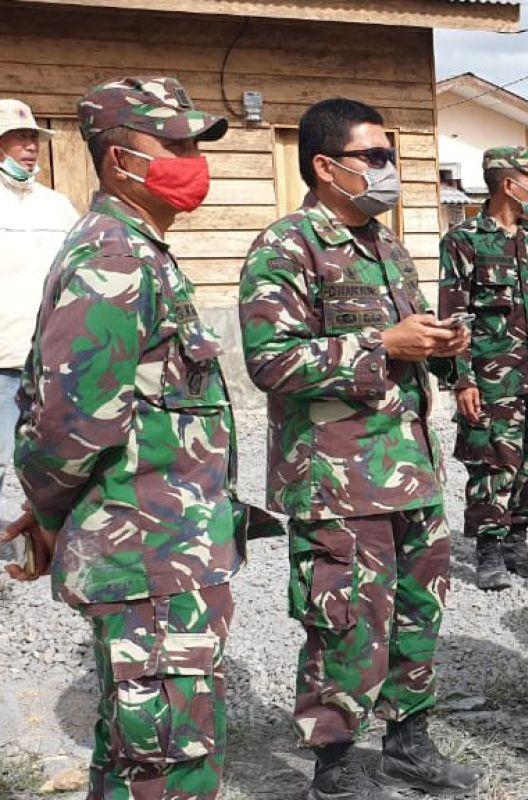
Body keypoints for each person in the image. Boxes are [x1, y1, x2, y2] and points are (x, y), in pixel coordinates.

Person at [7, 76, 243, 800]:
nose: (191, 161)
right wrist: (50, 518)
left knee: (139, 757)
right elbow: (69, 428)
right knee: (169, 765)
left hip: (160, 552)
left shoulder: (137, 249)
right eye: (172, 145)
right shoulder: (114, 257)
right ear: (118, 162)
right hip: (146, 557)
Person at [239, 98, 480, 798]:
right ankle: (336, 768)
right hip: (335, 478)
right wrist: (381, 345)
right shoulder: (288, 246)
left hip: (409, 469)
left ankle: (409, 745)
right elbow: (270, 360)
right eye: (373, 157)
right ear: (325, 165)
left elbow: (404, 346)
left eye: (390, 156)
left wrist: (437, 345)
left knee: (418, 610)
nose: (388, 169)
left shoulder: (388, 246)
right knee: (344, 622)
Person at [439, 146, 528, 591]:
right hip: (492, 375)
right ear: (509, 183)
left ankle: (516, 542)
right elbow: (453, 317)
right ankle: (487, 549)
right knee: (493, 461)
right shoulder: (464, 240)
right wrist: (461, 380)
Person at [0, 99, 78, 496]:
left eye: (33, 138)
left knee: (53, 459)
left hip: (50, 361)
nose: (30, 146)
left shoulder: (57, 205)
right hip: (3, 360)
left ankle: (43, 548)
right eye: (18, 138)